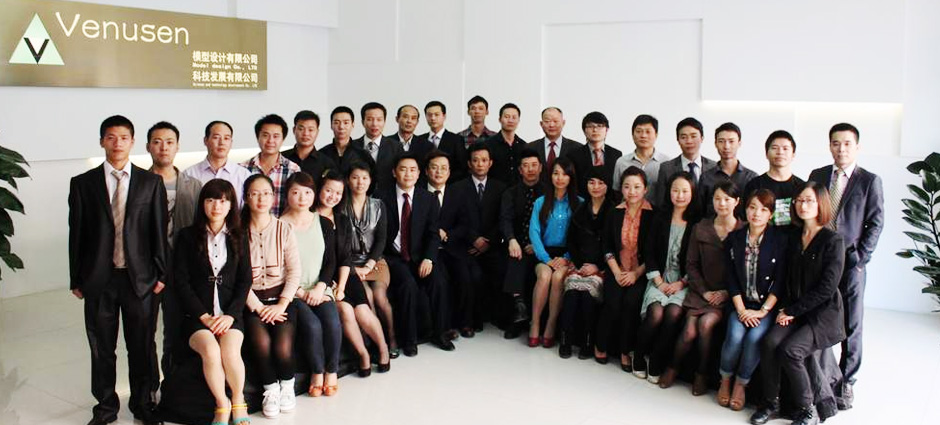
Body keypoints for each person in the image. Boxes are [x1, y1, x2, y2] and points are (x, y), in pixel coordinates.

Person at [69, 115, 167, 425]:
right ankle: (105, 407)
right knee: (102, 347)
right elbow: (77, 234)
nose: (117, 143)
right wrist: (76, 278)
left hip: (140, 279)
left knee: (142, 346)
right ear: (102, 141)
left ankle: (143, 403)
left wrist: (161, 274)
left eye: (124, 137)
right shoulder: (83, 183)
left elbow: (158, 231)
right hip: (100, 279)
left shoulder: (151, 183)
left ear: (132, 142)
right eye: (111, 137)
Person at [751, 182, 846, 425]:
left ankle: (807, 410)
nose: (803, 205)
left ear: (821, 204)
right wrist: (782, 309)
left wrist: (792, 311)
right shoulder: (793, 237)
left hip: (821, 315)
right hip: (794, 310)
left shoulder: (833, 240)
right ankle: (771, 403)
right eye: (800, 200)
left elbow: (827, 288)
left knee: (791, 350)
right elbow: (784, 277)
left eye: (809, 201)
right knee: (769, 342)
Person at [808, 123, 883, 409]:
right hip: (820, 259)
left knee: (852, 324)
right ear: (830, 146)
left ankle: (847, 381)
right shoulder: (817, 175)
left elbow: (876, 222)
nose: (841, 149)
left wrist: (860, 258)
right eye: (836, 143)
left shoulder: (869, 181)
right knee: (818, 317)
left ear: (857, 147)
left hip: (851, 262)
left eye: (847, 143)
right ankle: (822, 376)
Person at [172, 179, 252, 425]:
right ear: (202, 204)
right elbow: (181, 282)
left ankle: (238, 400)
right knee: (210, 350)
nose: (217, 206)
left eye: (223, 200)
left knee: (230, 350)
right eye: (210, 200)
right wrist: (204, 316)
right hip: (197, 317)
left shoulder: (240, 236)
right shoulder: (187, 236)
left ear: (231, 205)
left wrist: (230, 314)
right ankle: (222, 403)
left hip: (230, 314)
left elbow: (245, 280)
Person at [658, 180, 743, 393]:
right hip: (700, 291)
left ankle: (702, 374)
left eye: (727, 199)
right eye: (717, 199)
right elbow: (691, 265)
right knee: (688, 331)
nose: (721, 203)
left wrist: (726, 293)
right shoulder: (701, 227)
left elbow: (744, 273)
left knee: (705, 324)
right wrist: (704, 292)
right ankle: (672, 367)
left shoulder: (743, 230)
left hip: (728, 295)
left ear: (736, 202)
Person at [316, 171, 391, 376]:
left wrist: (341, 285)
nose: (332, 196)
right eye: (328, 190)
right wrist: (330, 284)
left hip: (345, 274)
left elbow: (345, 257)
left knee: (363, 311)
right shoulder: (310, 218)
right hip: (322, 278)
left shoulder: (342, 219)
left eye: (338, 193)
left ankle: (383, 348)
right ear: (320, 190)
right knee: (346, 311)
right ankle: (363, 354)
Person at [718, 189, 786, 411]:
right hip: (740, 303)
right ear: (745, 209)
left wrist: (762, 311)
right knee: (735, 335)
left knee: (755, 337)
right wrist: (741, 310)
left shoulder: (780, 241)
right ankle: (725, 379)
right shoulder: (734, 239)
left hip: (765, 307)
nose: (757, 213)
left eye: (764, 209)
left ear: (771, 214)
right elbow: (730, 278)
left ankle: (741, 384)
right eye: (753, 207)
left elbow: (780, 281)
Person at [378, 153, 453, 355]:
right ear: (394, 172)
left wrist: (429, 258)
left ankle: (440, 333)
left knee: (438, 281)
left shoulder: (427, 199)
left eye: (413, 170)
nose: (408, 174)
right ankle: (409, 340)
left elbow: (433, 234)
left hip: (420, 256)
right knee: (408, 285)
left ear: (419, 173)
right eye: (403, 169)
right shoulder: (381, 197)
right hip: (393, 257)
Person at [145, 121, 202, 375]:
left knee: (175, 328)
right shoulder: (138, 183)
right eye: (157, 142)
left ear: (177, 146)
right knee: (144, 331)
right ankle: (148, 386)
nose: (163, 147)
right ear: (148, 147)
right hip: (147, 270)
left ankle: (171, 381)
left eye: (169, 142)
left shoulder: (193, 186)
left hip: (181, 270)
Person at [241, 174, 300, 418]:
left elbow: (294, 271)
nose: (261, 198)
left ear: (273, 196)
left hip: (282, 299)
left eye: (266, 193)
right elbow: (238, 278)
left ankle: (287, 386)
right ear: (246, 198)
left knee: (282, 346)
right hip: (252, 301)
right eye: (255, 194)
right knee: (262, 344)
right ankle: (270, 390)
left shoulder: (284, 228)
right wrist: (258, 307)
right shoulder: (237, 232)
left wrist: (282, 304)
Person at [278, 173, 343, 397]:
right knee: (312, 325)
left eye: (307, 192)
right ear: (287, 195)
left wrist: (320, 288)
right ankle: (317, 372)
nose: (302, 197)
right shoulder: (279, 225)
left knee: (332, 322)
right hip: (292, 291)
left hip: (320, 288)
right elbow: (278, 266)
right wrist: (299, 292)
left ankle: (331, 371)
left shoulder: (323, 222)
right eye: (296, 192)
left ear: (314, 195)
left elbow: (330, 261)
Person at [634, 172, 700, 383]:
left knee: (673, 313)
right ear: (669, 192)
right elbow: (649, 252)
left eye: (685, 191)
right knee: (655, 314)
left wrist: (682, 282)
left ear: (693, 193)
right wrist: (659, 282)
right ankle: (638, 355)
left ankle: (656, 360)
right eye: (675, 190)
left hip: (683, 282)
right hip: (658, 278)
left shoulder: (696, 223)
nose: (679, 195)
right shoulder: (659, 217)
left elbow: (696, 260)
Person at [596, 166, 654, 370]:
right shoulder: (614, 212)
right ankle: (600, 344)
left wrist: (636, 274)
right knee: (613, 302)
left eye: (637, 187)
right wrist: (616, 271)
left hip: (641, 272)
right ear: (621, 188)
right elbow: (606, 246)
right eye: (627, 186)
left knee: (631, 303)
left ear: (645, 189)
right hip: (617, 269)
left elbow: (654, 252)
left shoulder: (653, 215)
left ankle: (625, 351)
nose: (632, 191)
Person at [343, 162, 399, 357]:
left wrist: (369, 265)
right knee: (366, 297)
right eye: (355, 177)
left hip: (375, 262)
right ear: (348, 180)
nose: (360, 182)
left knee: (380, 297)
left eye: (364, 178)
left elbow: (381, 240)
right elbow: (340, 243)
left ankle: (392, 337)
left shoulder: (378, 205)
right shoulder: (341, 206)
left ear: (370, 181)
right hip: (351, 264)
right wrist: (353, 268)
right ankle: (374, 342)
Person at [558, 167, 611, 359]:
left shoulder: (613, 211)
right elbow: (571, 241)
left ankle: (587, 343)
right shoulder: (580, 209)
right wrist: (580, 264)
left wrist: (597, 266)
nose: (595, 187)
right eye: (591, 182)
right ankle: (565, 341)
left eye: (600, 183)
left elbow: (612, 245)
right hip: (579, 264)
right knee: (571, 294)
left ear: (607, 186)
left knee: (588, 297)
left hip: (603, 267)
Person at [453, 143, 508, 330]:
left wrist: (488, 241)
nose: (480, 164)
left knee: (503, 268)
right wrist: (473, 239)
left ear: (490, 163)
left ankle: (499, 316)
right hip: (467, 245)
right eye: (475, 160)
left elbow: (503, 219)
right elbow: (455, 219)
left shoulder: (501, 188)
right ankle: (472, 320)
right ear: (469, 163)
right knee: (473, 276)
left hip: (492, 244)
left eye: (484, 160)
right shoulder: (457, 188)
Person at [528, 157, 581, 348]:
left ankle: (551, 324)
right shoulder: (540, 202)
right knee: (544, 276)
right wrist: (546, 258)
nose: (560, 178)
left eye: (565, 174)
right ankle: (535, 323)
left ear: (571, 178)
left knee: (558, 277)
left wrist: (566, 258)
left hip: (567, 254)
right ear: (550, 176)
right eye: (556, 173)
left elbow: (580, 238)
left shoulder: (579, 203)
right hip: (544, 253)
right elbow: (534, 233)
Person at [427, 150, 478, 337]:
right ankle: (445, 326)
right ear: (426, 171)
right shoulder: (418, 192)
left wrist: (447, 234)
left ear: (449, 172)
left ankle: (465, 322)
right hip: (428, 250)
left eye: (443, 168)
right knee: (440, 281)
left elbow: (465, 224)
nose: (438, 172)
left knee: (465, 276)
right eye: (434, 168)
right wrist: (435, 232)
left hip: (453, 247)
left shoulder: (458, 193)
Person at [499, 149, 544, 339]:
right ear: (520, 170)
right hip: (517, 243)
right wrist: (511, 240)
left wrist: (538, 246)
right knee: (515, 259)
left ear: (540, 167)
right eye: (526, 166)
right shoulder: (510, 193)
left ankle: (530, 317)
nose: (530, 169)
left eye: (534, 165)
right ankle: (519, 314)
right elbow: (505, 219)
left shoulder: (548, 192)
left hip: (541, 245)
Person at [241, 114, 301, 217]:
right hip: (249, 225)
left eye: (276, 136)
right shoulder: (243, 168)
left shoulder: (293, 170)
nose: (270, 141)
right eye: (265, 135)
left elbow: (295, 205)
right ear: (258, 137)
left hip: (281, 225)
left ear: (283, 139)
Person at [183, 120, 253, 206]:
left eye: (226, 138)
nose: (221, 143)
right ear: (205, 140)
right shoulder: (189, 175)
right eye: (216, 137)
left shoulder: (243, 175)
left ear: (231, 143)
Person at [744, 131, 805, 226]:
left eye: (785, 148)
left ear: (793, 154)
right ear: (766, 154)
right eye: (774, 148)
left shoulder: (802, 187)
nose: (780, 152)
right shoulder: (754, 185)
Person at [655, 117, 716, 209]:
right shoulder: (666, 168)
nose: (689, 141)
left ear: (702, 138)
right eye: (684, 137)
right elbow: (661, 203)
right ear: (678, 140)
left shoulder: (714, 167)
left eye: (693, 136)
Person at [699, 123, 757, 218]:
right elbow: (700, 212)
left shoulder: (751, 178)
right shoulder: (706, 177)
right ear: (715, 144)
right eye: (721, 141)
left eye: (731, 141)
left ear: (739, 143)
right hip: (713, 227)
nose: (726, 146)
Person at [612, 114, 670, 202]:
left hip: (657, 211)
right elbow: (616, 193)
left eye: (648, 132)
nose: (643, 135)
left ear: (656, 135)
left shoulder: (666, 162)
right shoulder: (622, 162)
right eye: (639, 131)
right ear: (632, 135)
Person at [566, 111, 621, 198]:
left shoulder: (616, 154)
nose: (595, 130)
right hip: (582, 202)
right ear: (584, 130)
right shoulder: (574, 155)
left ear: (606, 130)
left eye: (599, 126)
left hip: (610, 202)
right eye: (590, 126)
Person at [352, 102, 403, 192]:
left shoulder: (396, 147)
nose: (374, 124)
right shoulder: (352, 146)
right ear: (363, 122)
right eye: (369, 119)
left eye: (379, 120)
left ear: (384, 122)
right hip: (358, 194)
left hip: (387, 195)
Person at [283, 110, 337, 187]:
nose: (306, 133)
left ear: (317, 132)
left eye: (310, 130)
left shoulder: (327, 163)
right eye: (301, 129)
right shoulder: (282, 158)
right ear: (294, 130)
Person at [419, 100, 468, 182]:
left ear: (444, 116)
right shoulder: (420, 140)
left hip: (449, 185)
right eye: (429, 115)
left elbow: (462, 168)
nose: (433, 118)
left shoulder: (456, 140)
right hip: (423, 186)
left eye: (436, 114)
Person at [527, 107, 579, 183]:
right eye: (547, 121)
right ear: (541, 124)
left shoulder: (576, 148)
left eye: (555, 121)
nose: (551, 125)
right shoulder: (530, 148)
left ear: (563, 123)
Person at [318, 106, 375, 175]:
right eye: (336, 122)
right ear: (331, 125)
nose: (341, 127)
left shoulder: (362, 155)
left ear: (352, 125)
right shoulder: (322, 154)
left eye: (346, 123)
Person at [485, 103, 527, 185]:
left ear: (518, 120)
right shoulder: (488, 145)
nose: (510, 120)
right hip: (495, 190)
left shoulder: (524, 146)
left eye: (514, 117)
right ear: (500, 119)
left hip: (518, 191)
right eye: (507, 117)